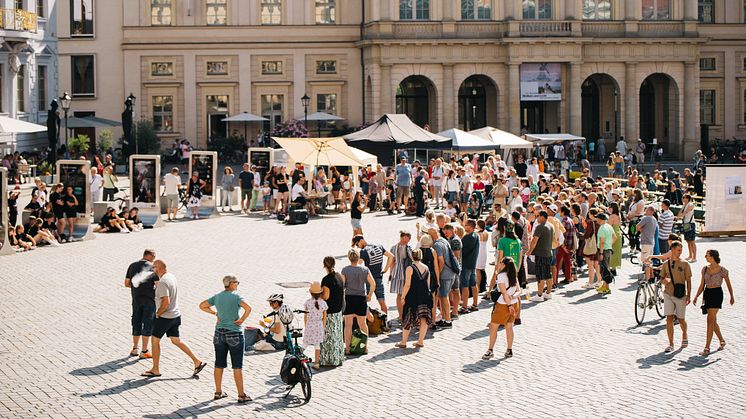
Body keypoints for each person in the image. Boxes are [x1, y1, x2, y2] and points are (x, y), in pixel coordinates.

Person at [142, 260, 206, 378]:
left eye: (154, 267)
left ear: (159, 268)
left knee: (155, 341)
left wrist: (158, 313)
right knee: (176, 340)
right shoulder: (171, 277)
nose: (153, 270)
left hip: (165, 317)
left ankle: (155, 369)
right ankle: (197, 362)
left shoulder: (162, 282)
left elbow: (166, 302)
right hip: (175, 315)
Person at [198, 275, 252, 403]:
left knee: (219, 363)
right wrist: (241, 320)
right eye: (237, 282)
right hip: (234, 333)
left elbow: (202, 305)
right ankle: (241, 395)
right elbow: (248, 308)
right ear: (232, 284)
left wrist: (215, 313)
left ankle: (218, 392)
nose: (237, 284)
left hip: (219, 333)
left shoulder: (217, 296)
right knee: (237, 366)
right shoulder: (236, 296)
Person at [692, 249, 735, 356]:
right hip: (707, 294)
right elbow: (702, 285)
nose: (705, 257)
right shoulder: (705, 269)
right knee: (713, 321)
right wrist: (696, 296)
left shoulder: (722, 270)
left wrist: (731, 296)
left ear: (712, 257)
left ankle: (707, 347)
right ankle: (722, 340)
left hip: (717, 294)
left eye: (707, 255)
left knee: (709, 320)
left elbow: (728, 284)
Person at [483, 257, 521, 360]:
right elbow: (519, 291)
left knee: (493, 327)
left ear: (504, 265)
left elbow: (504, 293)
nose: (499, 264)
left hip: (503, 305)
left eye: (501, 262)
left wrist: (508, 305)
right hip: (514, 303)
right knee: (509, 326)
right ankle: (509, 350)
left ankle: (490, 350)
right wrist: (513, 297)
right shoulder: (514, 275)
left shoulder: (501, 276)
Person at [395, 249, 433, 349]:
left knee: (408, 318)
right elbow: (428, 284)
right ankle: (420, 341)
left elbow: (407, 285)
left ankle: (403, 342)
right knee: (424, 318)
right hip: (424, 296)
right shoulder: (426, 268)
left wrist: (403, 296)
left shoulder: (410, 268)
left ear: (412, 257)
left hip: (413, 296)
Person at [124, 249, 158, 359]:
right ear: (151, 256)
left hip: (136, 300)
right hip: (149, 300)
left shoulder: (132, 266)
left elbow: (126, 283)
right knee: (147, 324)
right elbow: (157, 285)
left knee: (136, 322)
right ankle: (144, 351)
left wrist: (136, 288)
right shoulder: (153, 268)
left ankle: (135, 348)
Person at [341, 248, 375, 354]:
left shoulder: (345, 270)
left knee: (348, 325)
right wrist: (369, 295)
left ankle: (347, 348)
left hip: (349, 298)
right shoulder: (365, 269)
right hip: (361, 298)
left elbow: (342, 286)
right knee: (363, 324)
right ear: (358, 257)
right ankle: (364, 347)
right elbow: (373, 283)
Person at [660, 242, 692, 353]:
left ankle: (684, 334)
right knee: (669, 319)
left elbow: (688, 280)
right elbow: (661, 279)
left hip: (680, 295)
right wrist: (664, 281)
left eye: (681, 250)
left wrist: (688, 295)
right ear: (672, 250)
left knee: (681, 319)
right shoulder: (665, 264)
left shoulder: (685, 264)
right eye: (678, 250)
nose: (680, 252)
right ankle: (671, 344)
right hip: (668, 294)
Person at [354, 235, 394, 316]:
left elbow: (357, 264)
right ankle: (384, 322)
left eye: (357, 245)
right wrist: (385, 270)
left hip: (369, 279)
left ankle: (365, 321)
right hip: (379, 278)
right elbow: (391, 256)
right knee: (382, 302)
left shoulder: (364, 251)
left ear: (361, 240)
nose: (358, 247)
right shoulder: (378, 246)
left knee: (364, 301)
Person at [320, 257, 345, 367]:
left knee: (327, 338)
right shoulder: (339, 277)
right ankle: (337, 358)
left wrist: (318, 294)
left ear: (324, 265)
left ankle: (327, 359)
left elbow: (326, 296)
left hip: (329, 312)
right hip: (338, 311)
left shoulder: (326, 280)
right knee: (337, 337)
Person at [527, 211, 555, 302]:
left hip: (540, 254)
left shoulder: (540, 227)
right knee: (548, 273)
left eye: (538, 216)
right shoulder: (551, 226)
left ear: (542, 217)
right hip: (549, 253)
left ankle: (539, 295)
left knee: (540, 275)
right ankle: (548, 293)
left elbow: (534, 241)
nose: (536, 218)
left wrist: (529, 251)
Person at [387, 230, 413, 323]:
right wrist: (390, 273)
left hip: (398, 272)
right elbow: (392, 262)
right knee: (401, 294)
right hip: (402, 272)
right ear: (401, 237)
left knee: (401, 294)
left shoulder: (393, 248)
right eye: (405, 238)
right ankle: (402, 315)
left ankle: (402, 315)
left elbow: (392, 262)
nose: (407, 240)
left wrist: (391, 273)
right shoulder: (407, 248)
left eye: (408, 238)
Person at [302, 282, 328, 369]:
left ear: (310, 293)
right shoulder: (323, 303)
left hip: (310, 324)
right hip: (319, 325)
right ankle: (316, 363)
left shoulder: (307, 303)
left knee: (305, 343)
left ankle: (298, 356)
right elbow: (325, 317)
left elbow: (305, 316)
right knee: (317, 345)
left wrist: (306, 326)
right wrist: (323, 327)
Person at [459, 219, 480, 313]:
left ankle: (464, 306)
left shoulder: (468, 237)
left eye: (466, 225)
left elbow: (461, 251)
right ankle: (475, 304)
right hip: (473, 264)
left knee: (465, 285)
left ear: (470, 226)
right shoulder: (476, 235)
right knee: (473, 284)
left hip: (466, 264)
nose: (464, 226)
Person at [595, 213, 616, 294]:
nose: (596, 219)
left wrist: (601, 253)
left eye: (597, 218)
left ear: (600, 219)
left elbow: (602, 242)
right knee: (606, 268)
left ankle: (606, 288)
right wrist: (610, 244)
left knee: (604, 269)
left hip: (603, 250)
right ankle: (604, 286)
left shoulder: (602, 228)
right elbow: (615, 237)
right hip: (608, 249)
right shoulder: (609, 226)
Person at [678, 194, 697, 262]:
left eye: (684, 197)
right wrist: (677, 217)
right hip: (686, 223)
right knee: (688, 241)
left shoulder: (690, 204)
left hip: (690, 223)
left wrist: (679, 217)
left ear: (687, 198)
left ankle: (694, 257)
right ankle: (690, 255)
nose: (682, 198)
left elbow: (686, 212)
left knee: (692, 241)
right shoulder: (684, 205)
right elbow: (680, 211)